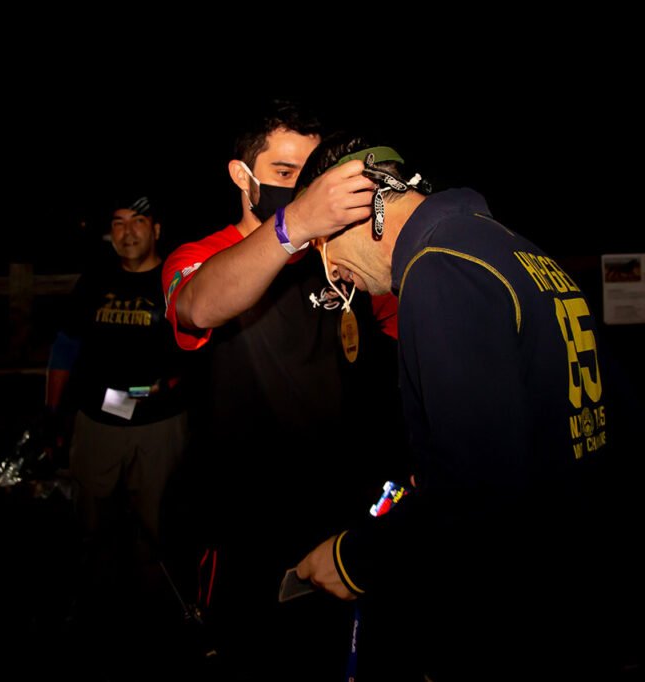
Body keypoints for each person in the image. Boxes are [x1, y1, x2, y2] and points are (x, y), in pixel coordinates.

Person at [294, 136, 629, 679]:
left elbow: (479, 489)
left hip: (519, 611)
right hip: (582, 576)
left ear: (353, 209)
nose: (332, 273)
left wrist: (355, 559)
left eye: (318, 245)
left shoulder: (439, 267)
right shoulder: (512, 247)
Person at [160, 102, 407, 679]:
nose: (301, 187)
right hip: (241, 526)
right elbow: (198, 306)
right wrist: (294, 224)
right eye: (284, 172)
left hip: (339, 519)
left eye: (310, 174)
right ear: (241, 175)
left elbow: (409, 326)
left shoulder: (341, 260)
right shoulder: (198, 256)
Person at [45, 194, 197, 646]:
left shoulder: (177, 279)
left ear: (157, 230)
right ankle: (94, 617)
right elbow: (65, 348)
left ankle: (157, 623)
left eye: (138, 221)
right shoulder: (93, 282)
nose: (127, 232)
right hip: (97, 425)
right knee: (92, 525)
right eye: (118, 223)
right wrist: (53, 415)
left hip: (160, 426)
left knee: (158, 527)